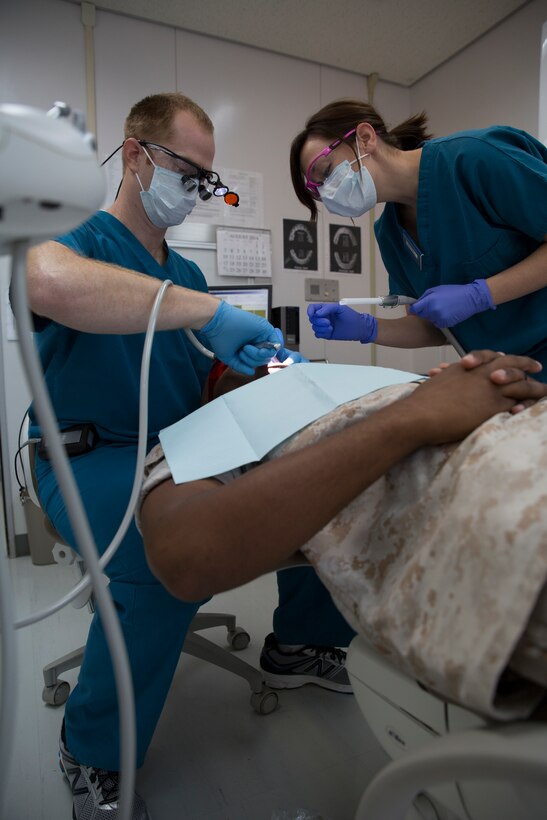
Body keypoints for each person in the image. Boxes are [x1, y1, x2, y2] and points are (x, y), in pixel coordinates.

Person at [25, 92, 353, 820]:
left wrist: (273, 369)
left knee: (328, 473)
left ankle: (300, 645)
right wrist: (209, 313)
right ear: (136, 155)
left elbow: (201, 377)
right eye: (187, 168)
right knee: (157, 555)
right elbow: (46, 285)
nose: (199, 188)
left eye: (208, 176)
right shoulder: (73, 232)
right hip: (87, 458)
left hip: (181, 450)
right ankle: (91, 748)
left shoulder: (192, 280)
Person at [138, 350, 547, 600]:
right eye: (239, 362)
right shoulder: (200, 439)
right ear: (210, 393)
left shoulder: (368, 385)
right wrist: (414, 417)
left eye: (280, 358)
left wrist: (466, 386)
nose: (272, 361)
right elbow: (184, 559)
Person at [289, 99, 547, 379]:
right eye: (318, 189)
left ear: (365, 138)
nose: (328, 192)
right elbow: (435, 326)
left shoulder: (473, 159)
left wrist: (480, 295)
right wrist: (367, 327)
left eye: (326, 172)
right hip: (504, 375)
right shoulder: (389, 233)